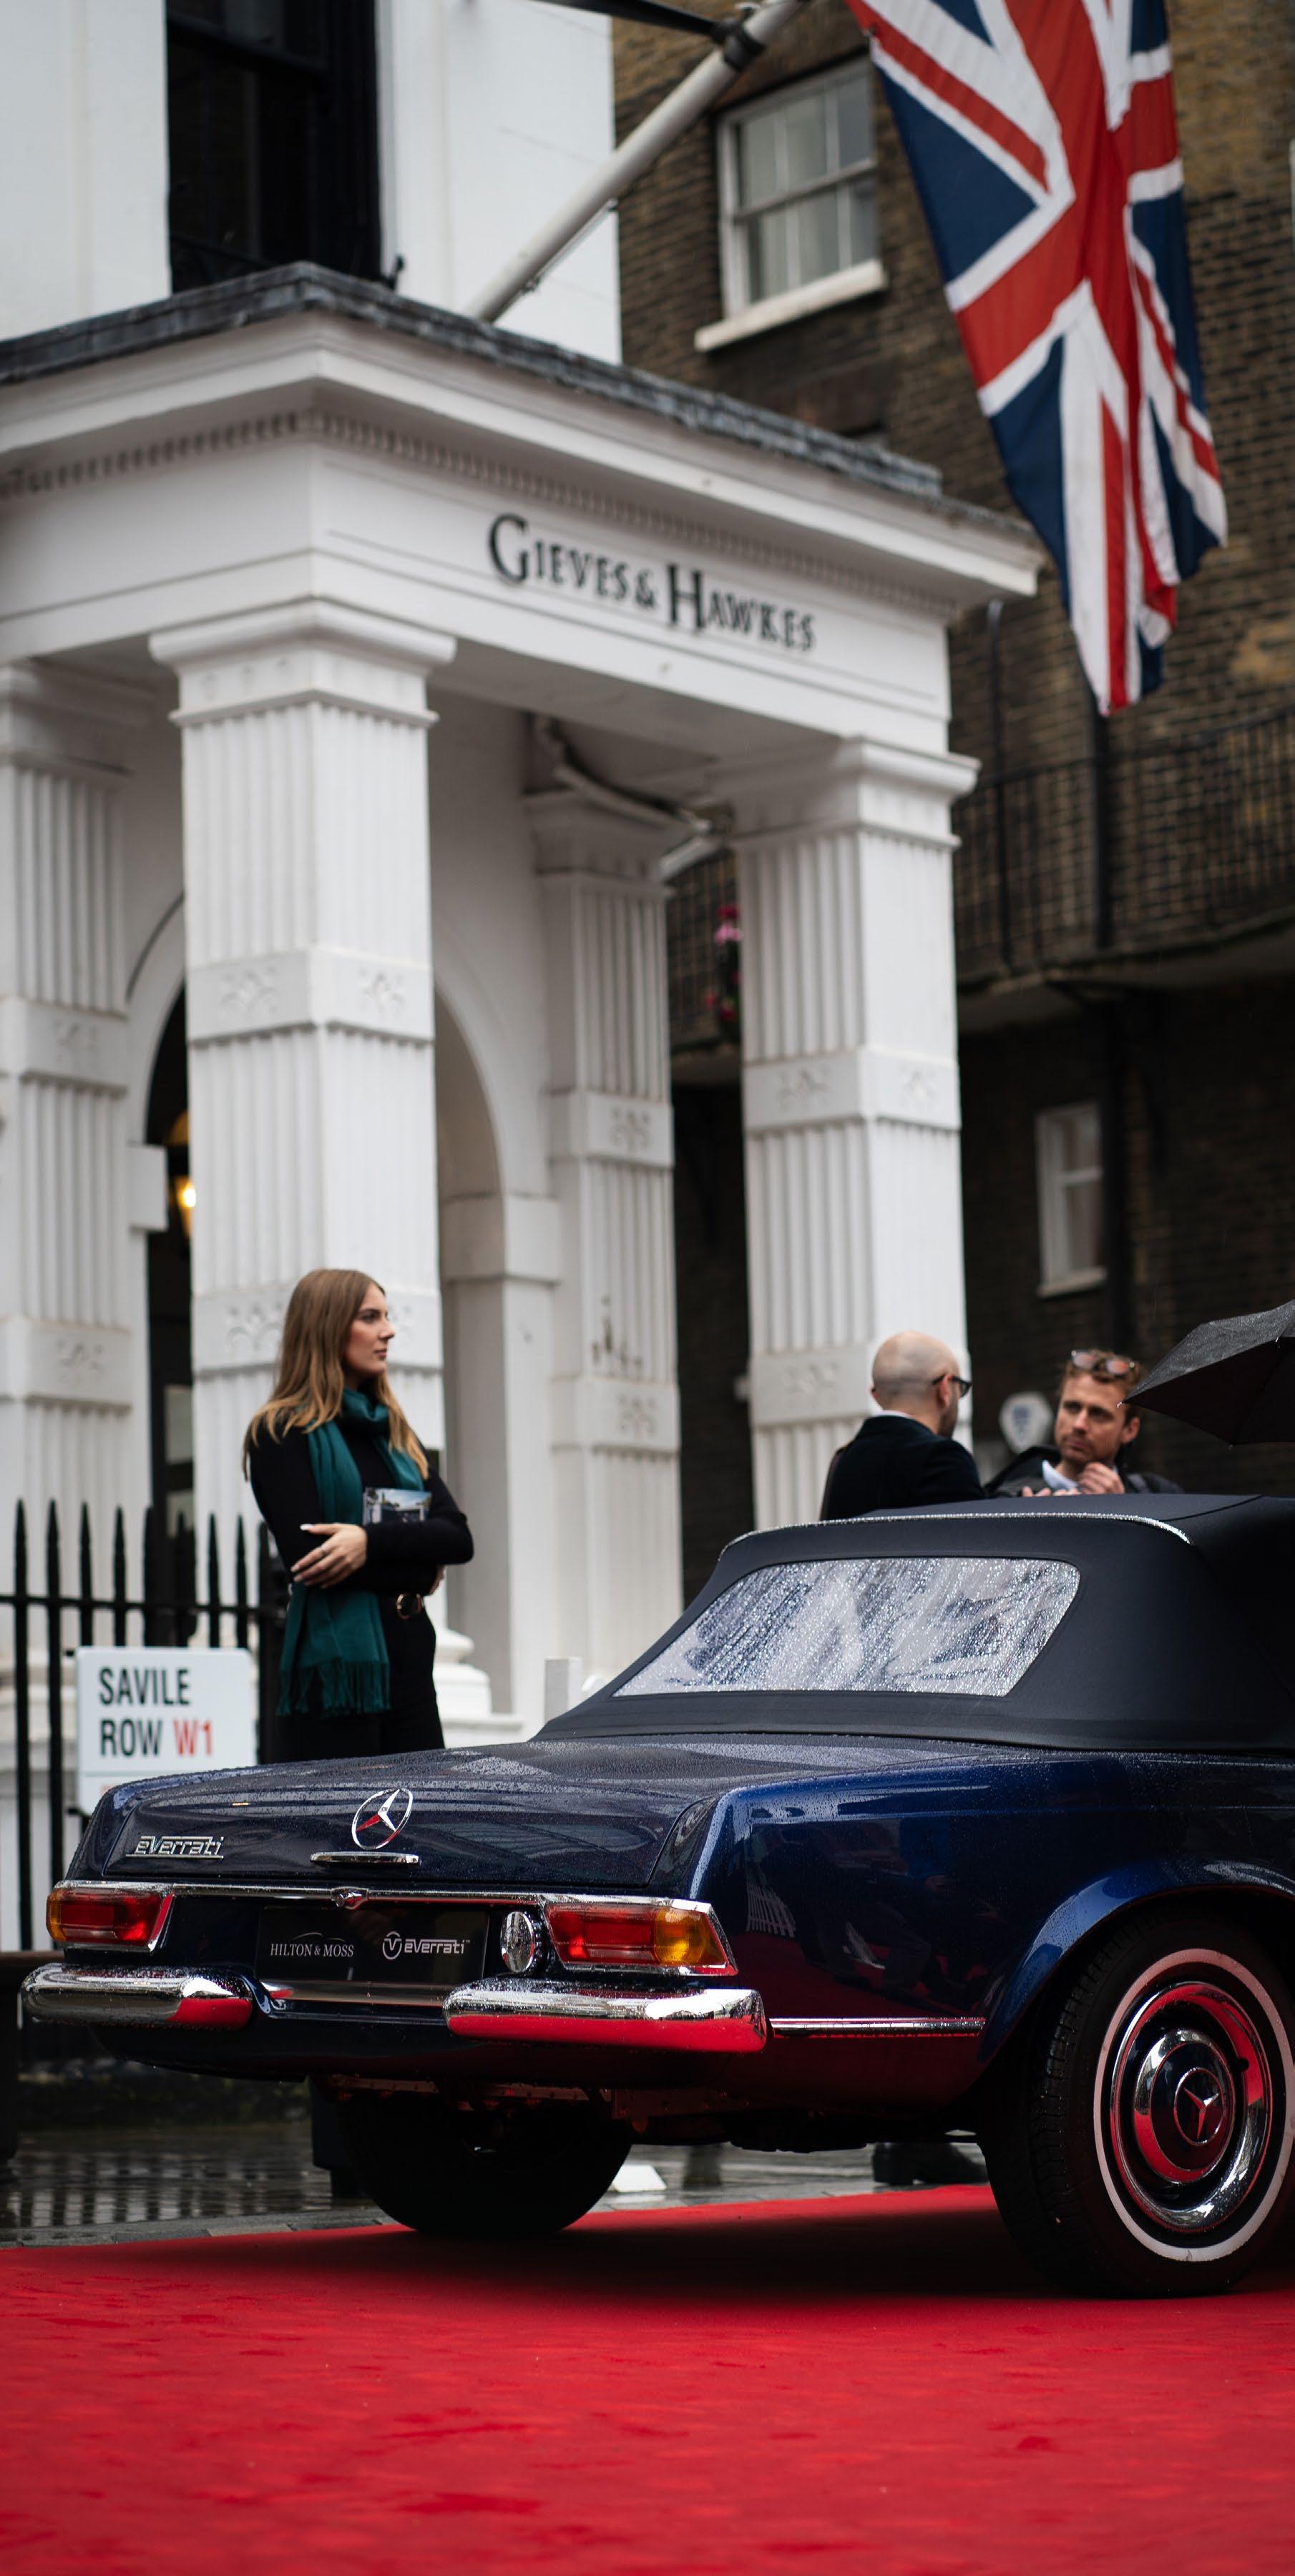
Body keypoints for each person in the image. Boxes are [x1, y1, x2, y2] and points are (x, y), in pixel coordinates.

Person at [245, 1268, 474, 1759]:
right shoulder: (281, 1432)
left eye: (386, 1317)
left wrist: (366, 1543)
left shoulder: (394, 1433)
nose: (388, 1331)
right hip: (336, 1674)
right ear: (327, 1326)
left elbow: (457, 1537)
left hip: (411, 1658)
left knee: (419, 1801)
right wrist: (417, 1566)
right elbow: (310, 1558)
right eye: (370, 1317)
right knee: (347, 1808)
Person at [821, 1331, 982, 1519]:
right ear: (945, 1389)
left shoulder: (844, 1460)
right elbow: (974, 1534)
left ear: (876, 1396)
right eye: (960, 1387)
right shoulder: (944, 1457)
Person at [989, 1350, 1181, 1499]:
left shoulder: (1158, 1496)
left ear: (1130, 1430)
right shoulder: (1007, 1499)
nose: (1079, 1425)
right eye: (1072, 1407)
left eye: (1098, 1414)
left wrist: (1124, 1513)